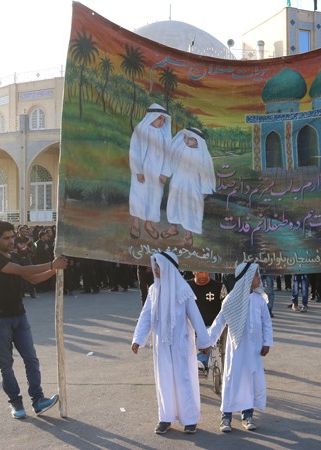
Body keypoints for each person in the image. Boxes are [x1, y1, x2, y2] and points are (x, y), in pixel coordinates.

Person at [0, 220, 67, 419]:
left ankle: (38, 400)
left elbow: (33, 278)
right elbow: (22, 271)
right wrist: (51, 264)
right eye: (6, 238)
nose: (11, 241)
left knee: (31, 359)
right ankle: (15, 403)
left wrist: (55, 270)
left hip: (19, 315)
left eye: (12, 237)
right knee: (7, 364)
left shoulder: (14, 258)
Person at [131, 251, 210, 435]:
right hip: (162, 344)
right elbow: (146, 316)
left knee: (184, 379)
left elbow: (196, 317)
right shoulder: (153, 290)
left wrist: (204, 341)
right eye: (155, 265)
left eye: (159, 265)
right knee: (164, 379)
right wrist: (138, 339)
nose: (156, 269)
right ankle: (165, 418)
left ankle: (189, 419)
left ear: (168, 267)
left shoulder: (183, 289)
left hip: (181, 343)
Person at [206, 261, 273, 432]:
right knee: (232, 380)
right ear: (247, 278)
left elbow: (267, 323)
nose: (259, 278)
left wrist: (267, 343)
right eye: (256, 275)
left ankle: (247, 415)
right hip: (236, 351)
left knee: (250, 381)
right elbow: (219, 322)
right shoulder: (231, 300)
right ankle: (226, 417)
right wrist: (208, 342)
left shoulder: (260, 299)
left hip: (254, 351)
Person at [161, 128, 216, 247]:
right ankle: (173, 228)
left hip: (193, 185)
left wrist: (205, 190)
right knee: (173, 205)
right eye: (185, 138)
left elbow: (206, 174)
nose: (186, 141)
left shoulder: (203, 155)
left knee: (190, 209)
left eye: (190, 139)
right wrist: (166, 174)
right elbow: (172, 162)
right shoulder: (181, 149)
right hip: (177, 182)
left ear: (198, 141)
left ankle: (188, 235)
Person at [128, 104, 172, 240]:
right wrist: (138, 171)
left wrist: (165, 173)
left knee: (154, 198)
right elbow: (134, 152)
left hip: (157, 174)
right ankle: (135, 223)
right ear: (151, 117)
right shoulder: (140, 131)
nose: (162, 122)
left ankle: (148, 224)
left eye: (164, 120)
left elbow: (169, 155)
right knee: (138, 196)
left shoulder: (165, 134)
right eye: (159, 118)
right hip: (142, 171)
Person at [187, 271, 228, 373]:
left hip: (212, 326)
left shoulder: (219, 287)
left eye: (206, 273)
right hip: (191, 325)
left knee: (207, 335)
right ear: (194, 272)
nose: (204, 275)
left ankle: (201, 360)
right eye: (201, 272)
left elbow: (226, 307)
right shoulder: (186, 286)